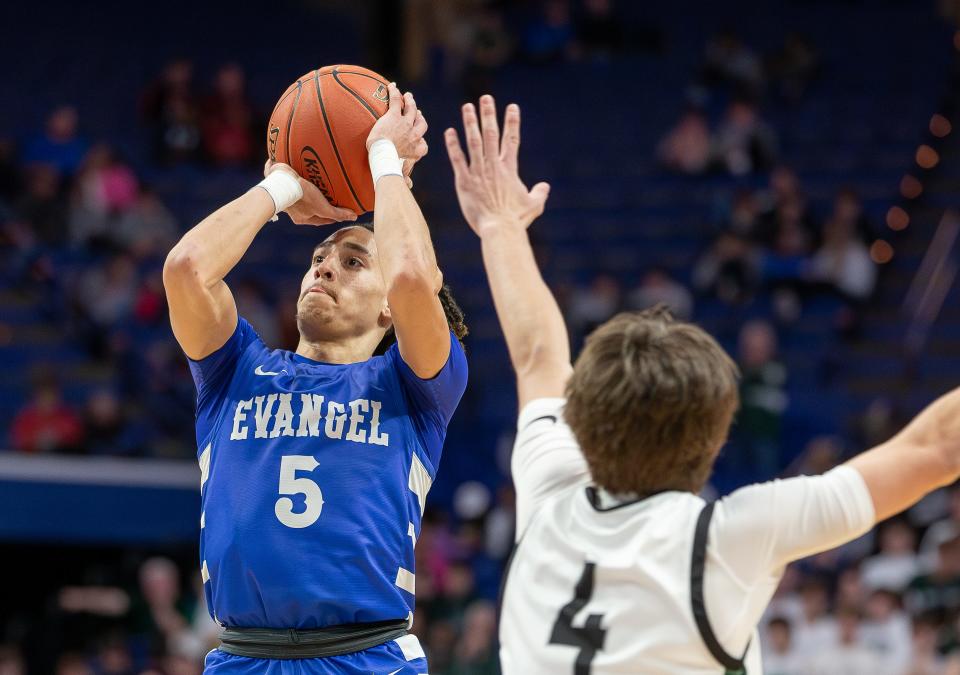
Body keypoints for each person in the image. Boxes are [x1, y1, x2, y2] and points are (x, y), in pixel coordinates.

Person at [443, 94, 960, 673]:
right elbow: (937, 446)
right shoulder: (728, 538)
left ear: (581, 423)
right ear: (715, 439)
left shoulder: (548, 493)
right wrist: (501, 230)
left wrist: (499, 227)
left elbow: (537, 353)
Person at [163, 82, 468, 673]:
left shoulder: (417, 387)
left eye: (354, 262)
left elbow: (411, 279)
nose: (325, 265)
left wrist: (386, 164)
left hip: (368, 656)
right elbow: (186, 269)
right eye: (319, 258)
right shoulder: (236, 371)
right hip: (242, 657)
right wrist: (284, 185)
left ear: (388, 311)